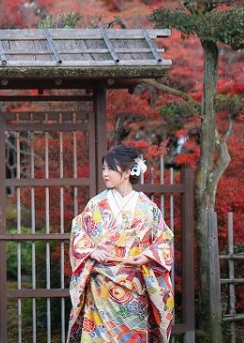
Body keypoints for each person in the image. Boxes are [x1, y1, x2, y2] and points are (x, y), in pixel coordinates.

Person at [67, 144, 175, 343]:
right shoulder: (96, 204)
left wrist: (146, 256)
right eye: (103, 169)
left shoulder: (148, 208)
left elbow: (164, 240)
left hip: (134, 285)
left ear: (127, 172)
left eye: (110, 168)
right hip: (101, 287)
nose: (105, 174)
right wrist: (90, 250)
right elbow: (79, 231)